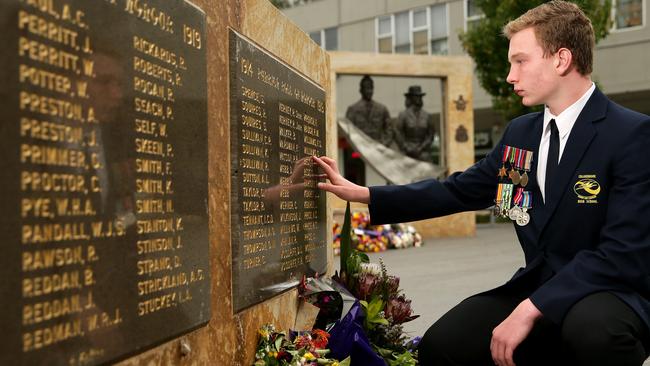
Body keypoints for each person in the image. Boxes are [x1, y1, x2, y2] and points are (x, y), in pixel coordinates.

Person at [313, 1, 650, 365]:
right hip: (536, 283)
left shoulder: (630, 134)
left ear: (561, 59)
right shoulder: (520, 134)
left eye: (520, 61)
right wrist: (363, 193)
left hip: (607, 292)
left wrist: (531, 309)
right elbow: (457, 190)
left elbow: (621, 253)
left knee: (593, 333)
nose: (510, 75)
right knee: (443, 344)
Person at [345, 75, 393, 146]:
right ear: (361, 90)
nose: (369, 91)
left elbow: (389, 130)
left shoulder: (382, 109)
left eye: (371, 88)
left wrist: (383, 145)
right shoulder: (353, 109)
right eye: (366, 88)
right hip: (360, 149)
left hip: (378, 148)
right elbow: (348, 131)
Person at [394, 85, 437, 161]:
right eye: (416, 96)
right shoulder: (403, 115)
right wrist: (406, 147)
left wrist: (421, 148)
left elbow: (431, 135)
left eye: (420, 96)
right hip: (407, 151)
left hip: (422, 151)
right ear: (411, 98)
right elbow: (398, 133)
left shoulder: (427, 116)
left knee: (427, 163)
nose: (419, 98)